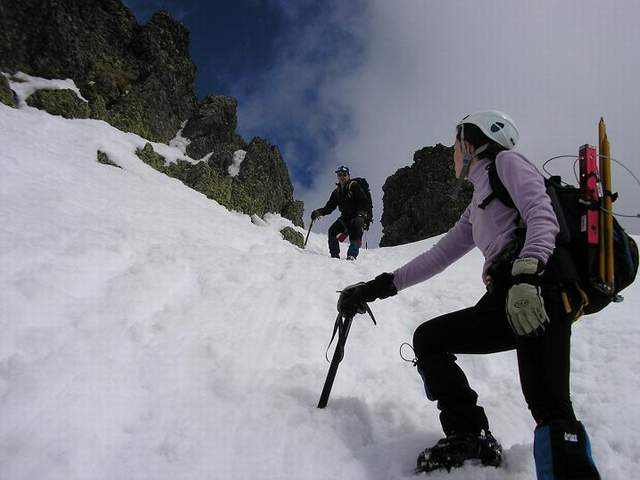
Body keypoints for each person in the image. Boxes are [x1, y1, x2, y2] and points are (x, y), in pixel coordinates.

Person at [336, 111, 601, 478]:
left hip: (541, 288)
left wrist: (528, 274)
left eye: (456, 143)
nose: (453, 152)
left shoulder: (506, 163)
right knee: (430, 339)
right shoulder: (476, 204)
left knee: (550, 406)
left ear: (471, 142)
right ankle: (469, 436)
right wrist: (375, 288)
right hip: (507, 298)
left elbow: (542, 215)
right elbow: (438, 256)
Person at [311, 166, 370, 260]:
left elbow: (363, 201)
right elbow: (329, 207)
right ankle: (334, 256)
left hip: (357, 216)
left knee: (355, 230)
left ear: (348, 176)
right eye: (339, 175)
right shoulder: (336, 192)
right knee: (332, 231)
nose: (342, 177)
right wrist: (319, 212)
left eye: (344, 174)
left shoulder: (354, 186)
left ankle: (351, 256)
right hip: (345, 217)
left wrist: (361, 215)